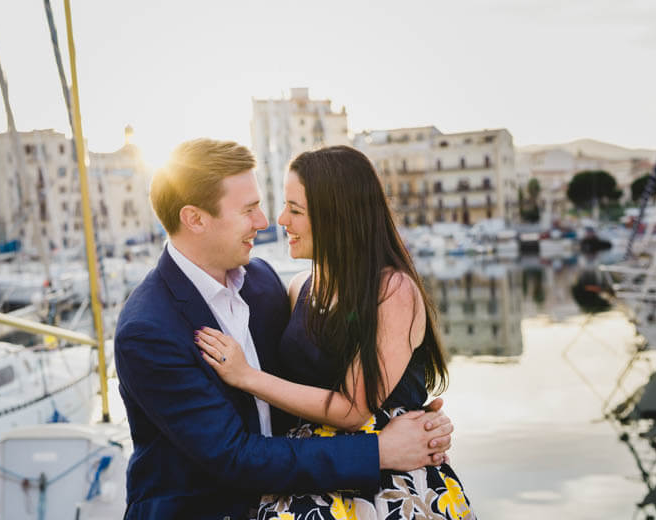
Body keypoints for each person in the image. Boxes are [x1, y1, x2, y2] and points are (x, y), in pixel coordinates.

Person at [114, 138, 455, 519]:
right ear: (195, 218)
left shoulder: (263, 282)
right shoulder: (148, 330)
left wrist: (414, 415)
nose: (266, 221)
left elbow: (314, 384)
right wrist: (381, 449)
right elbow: (234, 456)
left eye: (274, 206)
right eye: (249, 209)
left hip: (311, 499)